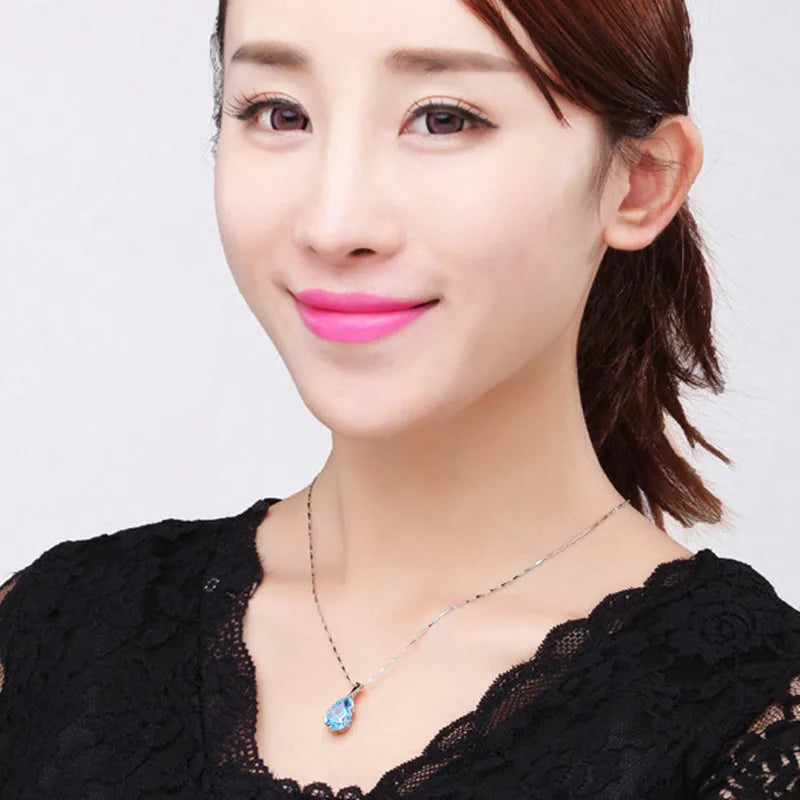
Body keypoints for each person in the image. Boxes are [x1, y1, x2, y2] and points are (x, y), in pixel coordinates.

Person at [1, 0, 798, 797]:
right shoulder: (55, 632)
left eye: (444, 119)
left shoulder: (747, 719)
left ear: (641, 183)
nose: (333, 223)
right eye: (279, 113)